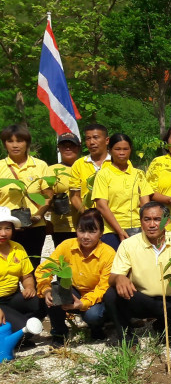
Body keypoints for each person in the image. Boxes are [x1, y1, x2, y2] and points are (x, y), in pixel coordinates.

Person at [103, 202, 171, 345]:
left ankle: (162, 324)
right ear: (141, 221)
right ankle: (127, 339)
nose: (152, 224)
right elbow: (113, 277)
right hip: (141, 300)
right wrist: (119, 278)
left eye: (157, 219)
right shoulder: (128, 244)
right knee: (111, 295)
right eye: (147, 219)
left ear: (167, 221)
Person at [36, 209, 113, 347]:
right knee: (54, 294)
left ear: (101, 233)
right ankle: (59, 332)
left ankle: (96, 328)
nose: (85, 236)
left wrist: (83, 304)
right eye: (81, 231)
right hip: (74, 290)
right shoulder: (67, 246)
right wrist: (46, 289)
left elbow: (103, 287)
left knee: (93, 316)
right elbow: (45, 268)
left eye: (92, 231)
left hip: (96, 296)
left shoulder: (108, 253)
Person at [0, 125, 52, 270]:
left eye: (20, 141)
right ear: (5, 144)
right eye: (10, 141)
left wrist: (38, 215)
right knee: (6, 267)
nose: (15, 145)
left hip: (34, 226)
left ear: (27, 143)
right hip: (5, 228)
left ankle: (33, 292)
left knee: (33, 265)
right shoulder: (1, 167)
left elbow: (48, 195)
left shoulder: (40, 165)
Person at [92, 133, 153, 250]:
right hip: (111, 230)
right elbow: (101, 205)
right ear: (110, 150)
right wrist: (120, 231)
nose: (122, 153)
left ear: (130, 150)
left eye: (125, 149)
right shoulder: (103, 174)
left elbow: (145, 204)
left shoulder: (138, 174)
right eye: (117, 149)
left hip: (137, 229)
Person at [0, 206, 40, 334]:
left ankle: (12, 325)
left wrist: (29, 287)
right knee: (24, 331)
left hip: (12, 297)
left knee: (41, 302)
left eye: (7, 228)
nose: (3, 233)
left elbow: (27, 276)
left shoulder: (17, 248)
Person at [48, 132, 82, 247]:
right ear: (59, 148)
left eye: (71, 145)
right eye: (64, 145)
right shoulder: (51, 170)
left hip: (86, 223)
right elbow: (44, 197)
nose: (68, 148)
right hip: (62, 226)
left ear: (78, 147)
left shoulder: (86, 167)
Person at [70, 124, 111, 214]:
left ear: (107, 140)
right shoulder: (79, 164)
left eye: (96, 137)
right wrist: (87, 215)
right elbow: (74, 196)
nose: (91, 142)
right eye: (88, 138)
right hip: (90, 220)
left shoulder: (116, 162)